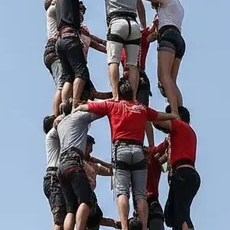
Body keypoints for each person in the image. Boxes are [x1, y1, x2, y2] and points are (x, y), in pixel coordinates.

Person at [75, 81, 175, 230]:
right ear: (132, 94)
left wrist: (76, 106)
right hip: (138, 150)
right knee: (140, 194)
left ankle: (124, 226)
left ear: (119, 94)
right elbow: (158, 116)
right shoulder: (141, 108)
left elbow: (89, 106)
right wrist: (173, 114)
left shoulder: (113, 105)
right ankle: (144, 226)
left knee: (122, 192)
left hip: (121, 149)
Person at [77, 0, 162, 100]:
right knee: (133, 65)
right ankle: (133, 97)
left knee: (113, 61)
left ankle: (116, 95)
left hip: (117, 22)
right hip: (134, 25)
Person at [56, 101, 102, 230]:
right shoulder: (78, 116)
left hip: (61, 166)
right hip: (74, 162)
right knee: (85, 201)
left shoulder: (61, 124)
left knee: (71, 208)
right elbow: (101, 110)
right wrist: (87, 105)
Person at [155, 107, 200, 230]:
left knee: (181, 215)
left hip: (182, 173)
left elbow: (158, 121)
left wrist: (146, 113)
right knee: (172, 215)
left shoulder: (180, 126)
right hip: (186, 174)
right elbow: (162, 159)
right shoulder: (181, 135)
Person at [151, 0, 186, 114]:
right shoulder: (179, 6)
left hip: (167, 36)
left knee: (164, 76)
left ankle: (174, 112)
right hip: (179, 39)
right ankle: (180, 110)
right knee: (172, 80)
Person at [55, 0, 91, 107]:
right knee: (81, 72)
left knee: (68, 76)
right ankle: (75, 101)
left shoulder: (58, 2)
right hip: (70, 37)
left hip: (60, 40)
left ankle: (65, 105)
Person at [44, 114, 67, 230]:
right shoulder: (51, 134)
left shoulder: (57, 140)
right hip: (54, 177)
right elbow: (58, 122)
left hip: (57, 177)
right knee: (59, 220)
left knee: (65, 217)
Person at [144, 140, 168, 230]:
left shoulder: (152, 162)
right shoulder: (153, 162)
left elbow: (163, 146)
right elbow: (164, 146)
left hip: (150, 204)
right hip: (150, 206)